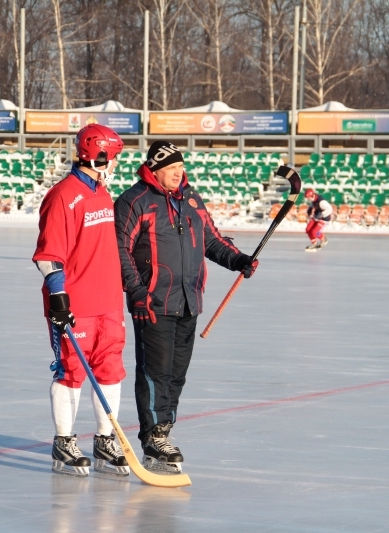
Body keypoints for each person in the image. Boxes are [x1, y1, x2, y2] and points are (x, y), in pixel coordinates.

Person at [114, 140, 258, 475]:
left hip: (189, 301)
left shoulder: (190, 199)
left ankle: (164, 430)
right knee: (155, 372)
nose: (179, 173)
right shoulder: (134, 201)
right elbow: (120, 251)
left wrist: (238, 259)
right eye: (172, 169)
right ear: (155, 169)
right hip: (153, 302)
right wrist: (136, 292)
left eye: (181, 167)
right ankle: (152, 437)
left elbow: (210, 238)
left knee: (176, 375)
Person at [32, 124, 129, 478]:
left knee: (110, 371)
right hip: (75, 305)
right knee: (71, 372)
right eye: (113, 155)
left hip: (108, 302)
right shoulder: (63, 196)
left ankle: (105, 440)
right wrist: (59, 298)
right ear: (98, 154)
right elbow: (48, 255)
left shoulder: (101, 193)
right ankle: (64, 442)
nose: (116, 162)